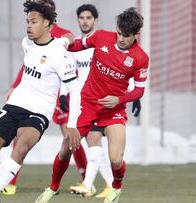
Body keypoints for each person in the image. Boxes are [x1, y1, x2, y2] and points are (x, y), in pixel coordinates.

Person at [36, 7, 149, 203]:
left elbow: (139, 91)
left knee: (116, 159)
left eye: (126, 36)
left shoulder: (140, 58)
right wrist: (59, 43)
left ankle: (116, 188)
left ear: (136, 35)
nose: (120, 38)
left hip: (113, 109)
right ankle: (53, 187)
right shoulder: (102, 37)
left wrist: (119, 100)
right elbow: (76, 45)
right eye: (119, 33)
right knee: (65, 148)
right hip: (87, 104)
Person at [0, 1, 81, 203]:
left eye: (33, 21)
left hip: (39, 111)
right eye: (27, 21)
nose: (28, 26)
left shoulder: (61, 56)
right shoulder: (26, 43)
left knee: (22, 147)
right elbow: (59, 41)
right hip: (15, 104)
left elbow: (75, 91)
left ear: (47, 23)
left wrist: (72, 125)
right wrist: (66, 39)